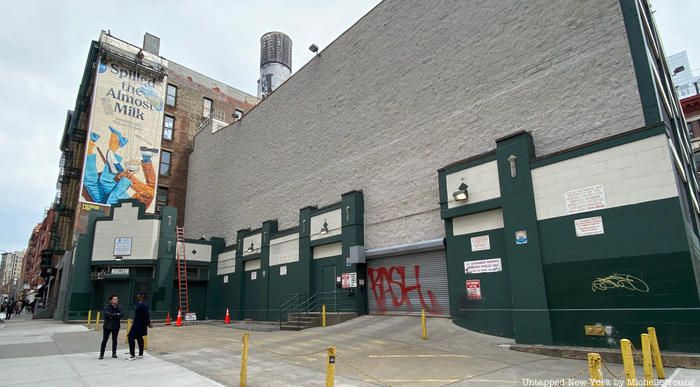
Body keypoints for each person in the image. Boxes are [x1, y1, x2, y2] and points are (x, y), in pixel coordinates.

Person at [126, 293, 152, 361]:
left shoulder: (142, 305)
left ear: (141, 297)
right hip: (140, 324)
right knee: (139, 337)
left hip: (138, 324)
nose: (137, 296)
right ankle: (140, 354)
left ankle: (132, 355)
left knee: (130, 337)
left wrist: (148, 323)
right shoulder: (140, 304)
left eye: (138, 295)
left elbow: (146, 315)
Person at [99, 294, 123, 360]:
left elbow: (121, 315)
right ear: (111, 300)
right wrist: (116, 314)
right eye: (115, 299)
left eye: (117, 299)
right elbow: (107, 314)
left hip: (116, 326)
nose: (116, 300)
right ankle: (101, 354)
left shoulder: (119, 307)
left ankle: (114, 353)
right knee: (104, 340)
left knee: (114, 340)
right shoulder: (107, 307)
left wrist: (112, 315)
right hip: (107, 326)